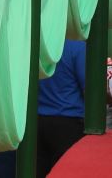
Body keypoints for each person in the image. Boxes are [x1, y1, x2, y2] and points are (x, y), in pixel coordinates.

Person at [35, 38, 87, 176]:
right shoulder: (77, 47)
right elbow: (89, 88)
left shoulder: (36, 45)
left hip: (36, 122)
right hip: (69, 123)